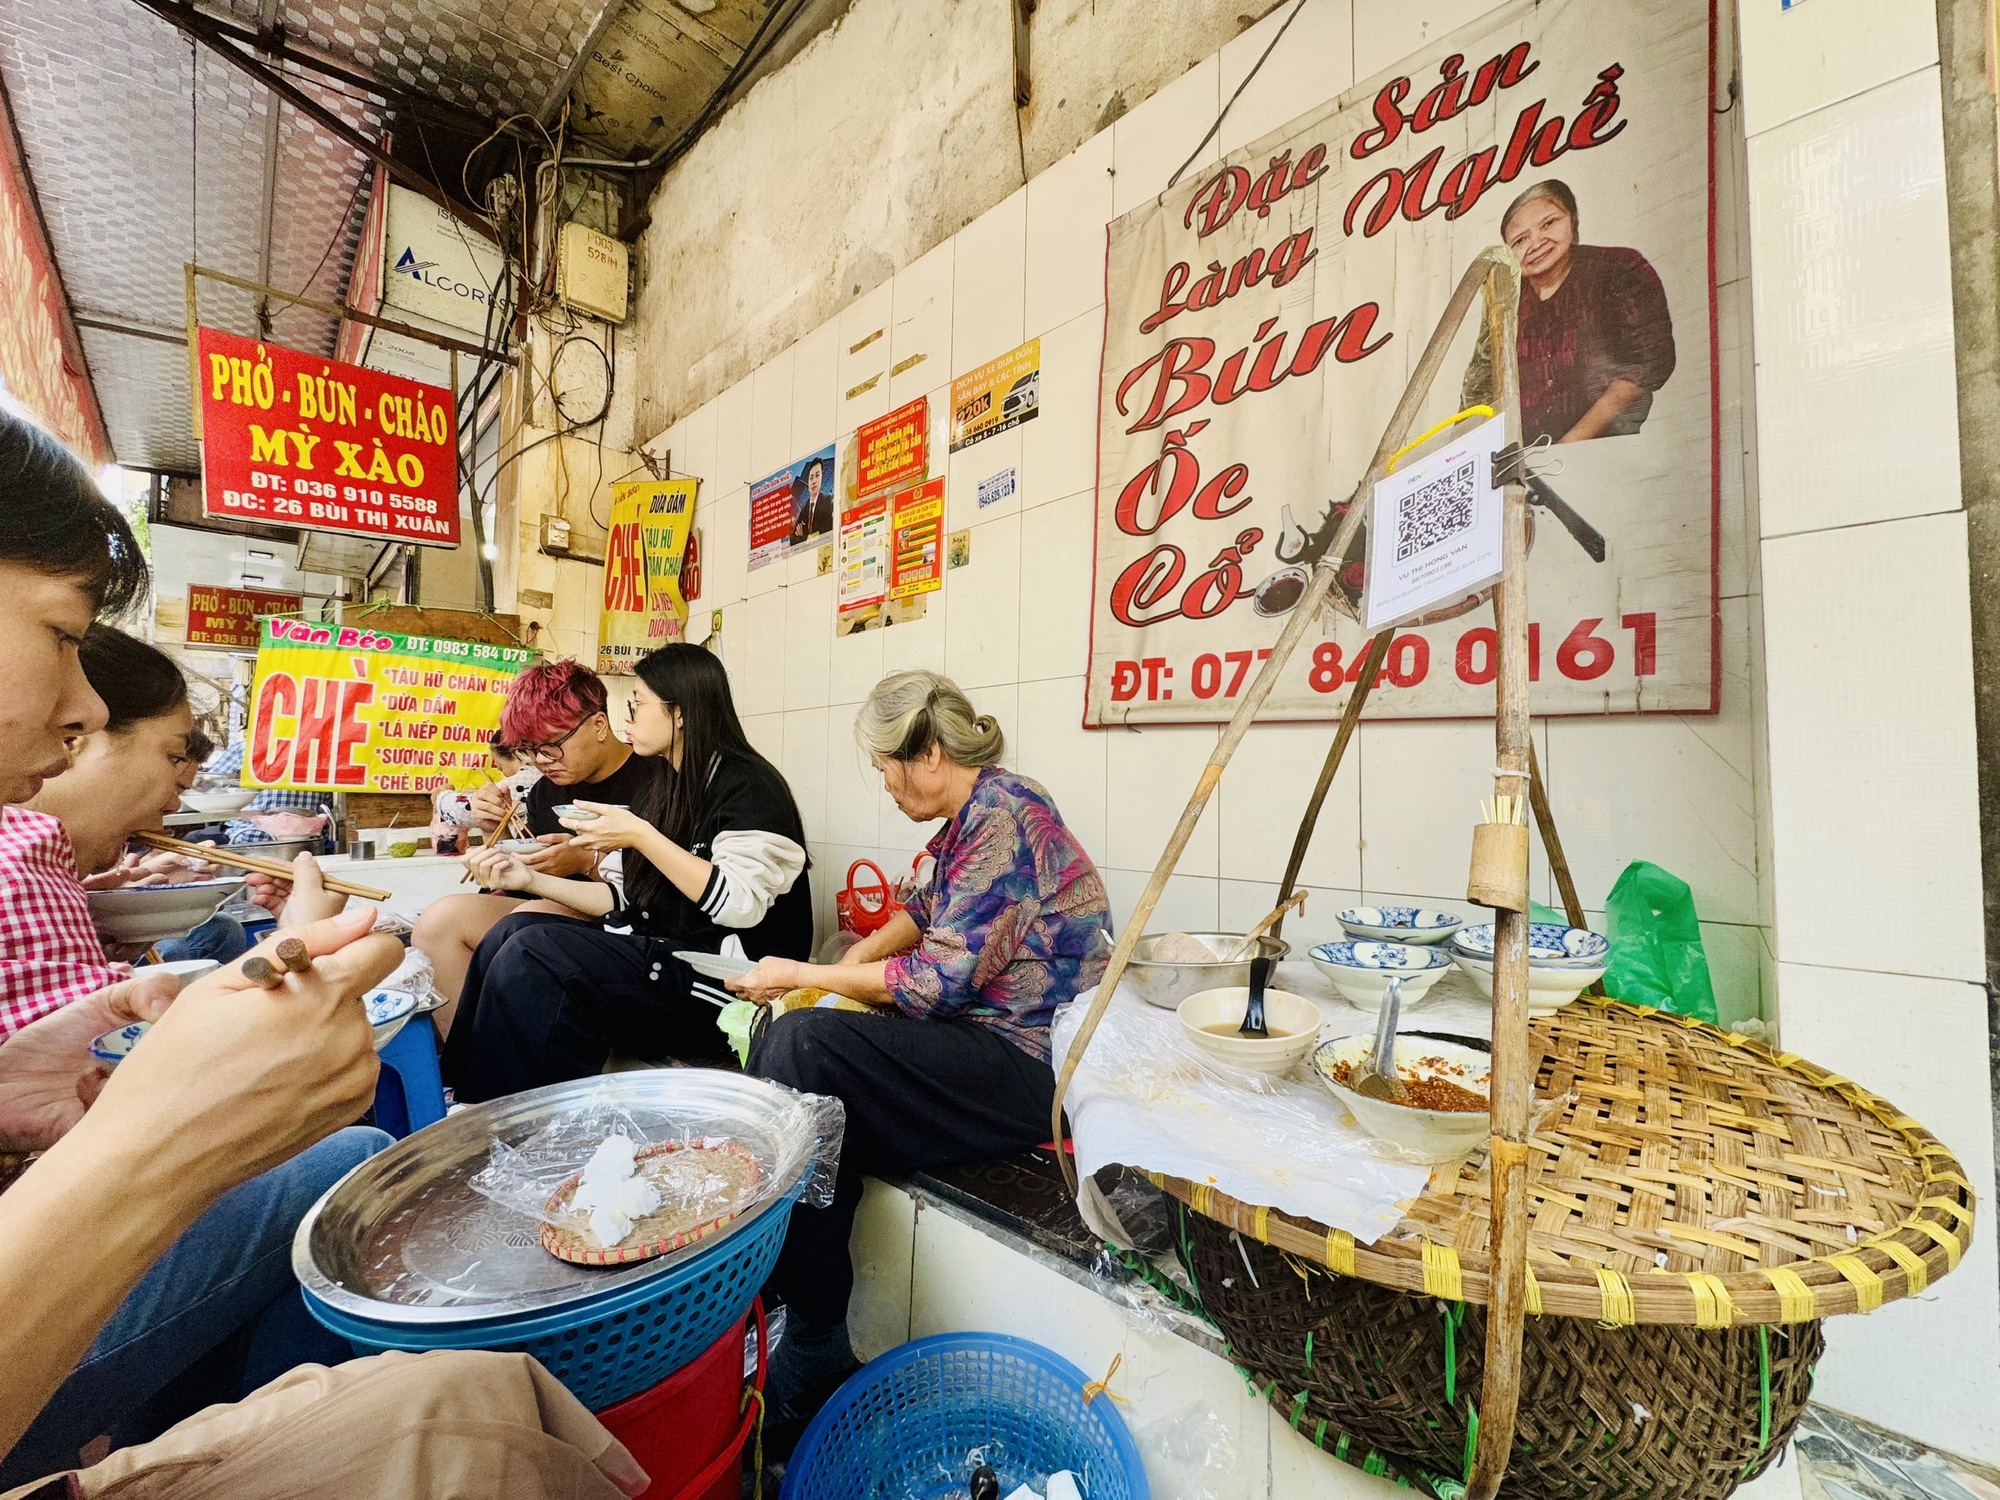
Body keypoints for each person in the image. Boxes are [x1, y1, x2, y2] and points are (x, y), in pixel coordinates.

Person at [0, 413, 637, 1496]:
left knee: (477, 1394)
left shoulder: (683, 792)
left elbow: (655, 902)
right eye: (64, 634)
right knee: (387, 1102)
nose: (84, 705)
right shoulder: (28, 852)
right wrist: (160, 1145)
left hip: (633, 946)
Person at [724, 671, 1108, 1417]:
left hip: (1031, 1068)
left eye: (886, 768)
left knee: (806, 1050)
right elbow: (918, 912)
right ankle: (803, 1312)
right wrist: (840, 970)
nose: (887, 787)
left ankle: (812, 1331)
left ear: (927, 752)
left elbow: (933, 983)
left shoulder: (1003, 816)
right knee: (805, 1051)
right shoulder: (971, 818)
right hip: (977, 1041)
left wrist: (803, 974)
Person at [446, 643, 812, 1101]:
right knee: (512, 930)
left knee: (537, 951)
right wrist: (528, 880)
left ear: (678, 713)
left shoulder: (749, 786)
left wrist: (640, 835)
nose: (628, 718)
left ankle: (508, 1119)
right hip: (668, 961)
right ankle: (468, 1102)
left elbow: (738, 903)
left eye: (638, 705)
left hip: (733, 990)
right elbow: (627, 899)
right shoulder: (669, 785)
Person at [0, 627, 229, 1037]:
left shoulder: (40, 868)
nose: (174, 804)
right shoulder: (20, 869)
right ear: (76, 739)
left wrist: (83, 929)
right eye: (173, 756)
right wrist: (306, 946)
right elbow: (114, 1075)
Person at [412, 661, 655, 1024]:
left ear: (599, 725)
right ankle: (467, 1057)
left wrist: (587, 861)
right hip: (551, 902)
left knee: (525, 923)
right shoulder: (545, 790)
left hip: (632, 918)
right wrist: (493, 827)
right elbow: (529, 879)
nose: (541, 762)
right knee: (438, 923)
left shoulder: (656, 780)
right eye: (529, 750)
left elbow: (657, 890)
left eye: (551, 746)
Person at [1462, 178, 1676, 445]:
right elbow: (1480, 391)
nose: (1536, 242)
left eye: (1549, 223)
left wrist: (1566, 448)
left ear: (1572, 221)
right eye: (1520, 240)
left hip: (1611, 454)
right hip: (1524, 467)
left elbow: (1648, 365)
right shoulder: (1506, 305)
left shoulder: (1619, 268)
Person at [790, 456, 833, 544]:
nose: (814, 481)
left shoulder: (828, 502)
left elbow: (826, 533)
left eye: (817, 476)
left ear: (821, 478)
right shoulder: (804, 508)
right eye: (811, 477)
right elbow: (793, 539)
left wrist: (803, 537)